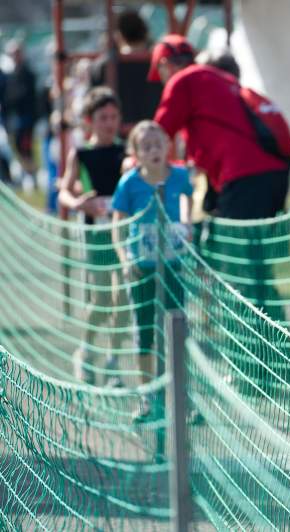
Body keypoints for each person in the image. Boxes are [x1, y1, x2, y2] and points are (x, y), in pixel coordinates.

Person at [150, 34, 290, 220]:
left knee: (236, 247)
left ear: (165, 64)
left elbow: (155, 135)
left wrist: (134, 162)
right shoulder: (221, 79)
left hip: (242, 177)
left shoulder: (182, 81)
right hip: (276, 172)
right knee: (269, 246)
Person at [111, 120, 193, 420]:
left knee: (177, 331)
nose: (154, 150)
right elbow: (117, 225)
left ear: (167, 147)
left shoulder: (179, 176)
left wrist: (187, 223)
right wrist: (124, 259)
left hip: (173, 266)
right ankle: (147, 398)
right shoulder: (129, 184)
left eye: (158, 144)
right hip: (141, 269)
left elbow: (187, 199)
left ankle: (182, 396)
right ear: (135, 153)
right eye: (146, 147)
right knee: (144, 332)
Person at [58, 87, 129, 385]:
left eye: (113, 117)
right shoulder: (82, 154)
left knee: (124, 298)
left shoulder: (127, 152)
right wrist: (79, 203)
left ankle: (113, 361)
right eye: (103, 117)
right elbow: (64, 190)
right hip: (96, 234)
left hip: (125, 233)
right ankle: (86, 353)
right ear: (90, 120)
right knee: (101, 298)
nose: (109, 123)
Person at [90, 8, 163, 136]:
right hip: (156, 137)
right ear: (145, 32)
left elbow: (93, 104)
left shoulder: (103, 66)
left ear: (119, 35)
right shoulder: (162, 64)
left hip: (116, 137)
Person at [3, 40, 39, 182]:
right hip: (16, 117)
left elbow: (23, 95)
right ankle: (28, 173)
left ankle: (32, 175)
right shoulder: (11, 74)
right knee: (18, 147)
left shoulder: (28, 73)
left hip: (27, 118)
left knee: (25, 147)